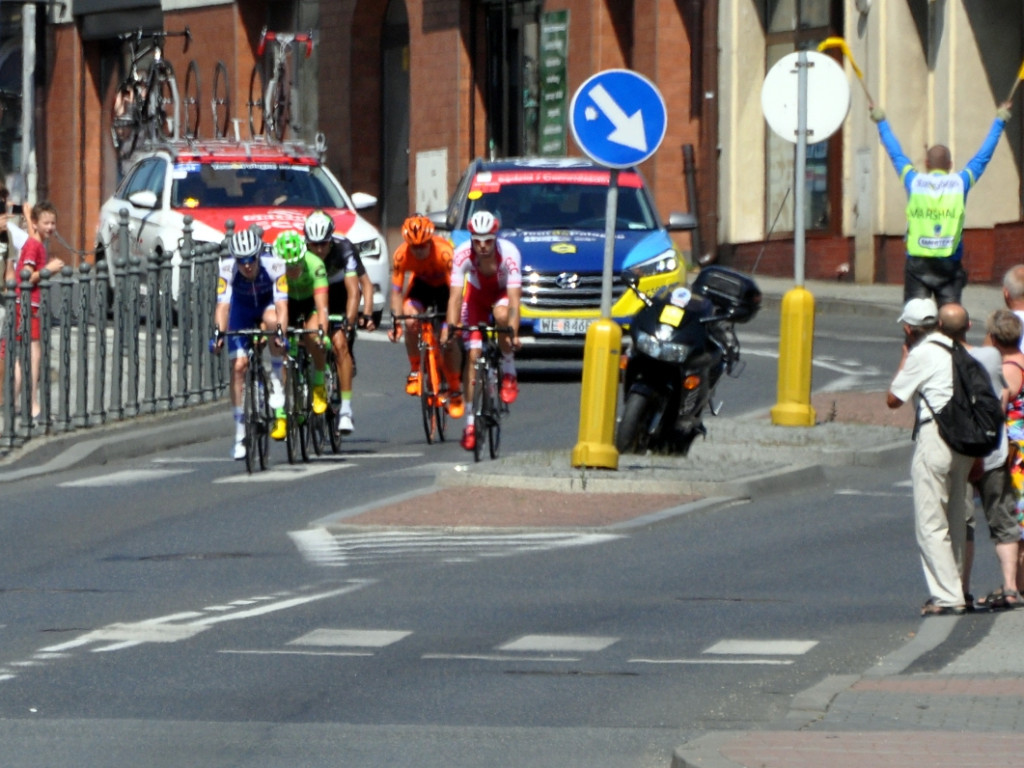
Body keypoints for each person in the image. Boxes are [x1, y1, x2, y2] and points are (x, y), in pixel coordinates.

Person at [871, 100, 1011, 306]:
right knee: (951, 320)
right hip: (949, 263)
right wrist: (999, 120)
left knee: (916, 320)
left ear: (927, 164)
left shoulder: (914, 181)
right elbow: (983, 157)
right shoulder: (960, 182)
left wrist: (881, 121)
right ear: (950, 165)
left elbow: (895, 153)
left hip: (918, 263)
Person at [887, 297, 973, 615]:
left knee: (931, 522)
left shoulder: (921, 353)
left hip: (936, 437)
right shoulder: (959, 349)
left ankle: (948, 596)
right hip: (965, 440)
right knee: (955, 519)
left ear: (909, 329)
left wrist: (904, 359)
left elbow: (894, 398)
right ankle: (958, 587)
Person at [939, 304, 1018, 610]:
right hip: (991, 449)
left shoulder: (941, 359)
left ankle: (961, 588)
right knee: (1001, 516)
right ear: (969, 326)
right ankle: (1011, 586)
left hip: (958, 449)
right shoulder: (990, 356)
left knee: (961, 521)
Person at [440, 210, 522, 451]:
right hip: (475, 299)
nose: (483, 246)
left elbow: (515, 301)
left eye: (488, 241)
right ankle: (470, 422)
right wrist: (451, 328)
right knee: (473, 356)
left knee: (501, 316)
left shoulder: (509, 254)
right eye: (478, 241)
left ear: (495, 237)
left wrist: (514, 333)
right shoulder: (462, 253)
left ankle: (508, 368)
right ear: (472, 239)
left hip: (501, 296)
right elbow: (455, 298)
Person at [211, 228, 288, 459]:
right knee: (238, 367)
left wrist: (280, 334)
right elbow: (223, 307)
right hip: (241, 312)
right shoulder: (226, 268)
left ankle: (275, 381)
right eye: (241, 260)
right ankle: (240, 433)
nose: (246, 265)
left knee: (274, 322)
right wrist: (218, 335)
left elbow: (282, 306)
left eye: (251, 259)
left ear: (258, 254)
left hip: (266, 306)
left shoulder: (275, 265)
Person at [303, 210, 373, 434]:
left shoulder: (344, 248)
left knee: (340, 343)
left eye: (324, 244)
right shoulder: (302, 252)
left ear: (331, 239)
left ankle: (345, 410)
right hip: (314, 294)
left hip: (339, 295)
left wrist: (348, 323)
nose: (320, 249)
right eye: (314, 245)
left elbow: (356, 291)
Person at [388, 213, 462, 417]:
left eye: (423, 246)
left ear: (430, 241)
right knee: (410, 319)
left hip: (446, 291)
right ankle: (415, 371)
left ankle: (454, 387)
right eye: (415, 247)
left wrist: (451, 323)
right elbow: (395, 292)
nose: (419, 251)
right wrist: (397, 322)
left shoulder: (445, 253)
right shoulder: (401, 255)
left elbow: (456, 293)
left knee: (449, 338)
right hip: (421, 288)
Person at [275, 229, 337, 429]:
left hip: (310, 303)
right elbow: (274, 306)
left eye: (296, 264)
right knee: (282, 351)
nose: (292, 269)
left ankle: (318, 384)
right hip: (288, 304)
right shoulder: (274, 270)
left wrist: (322, 332)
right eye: (288, 265)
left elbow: (322, 306)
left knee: (313, 337)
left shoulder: (315, 264)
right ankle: (288, 399)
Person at [12, 201, 64, 420]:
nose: (50, 227)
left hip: (26, 305)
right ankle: (31, 404)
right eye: (46, 223)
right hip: (28, 306)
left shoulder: (35, 241)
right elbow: (26, 275)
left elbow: (33, 231)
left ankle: (12, 400)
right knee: (32, 357)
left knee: (24, 356)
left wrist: (27, 212)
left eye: (53, 223)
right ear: (36, 223)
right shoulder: (34, 246)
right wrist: (48, 270)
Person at [990, 308, 1024, 597]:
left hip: (1017, 446)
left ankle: (1017, 584)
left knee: (1017, 510)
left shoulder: (1010, 367)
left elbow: (1001, 407)